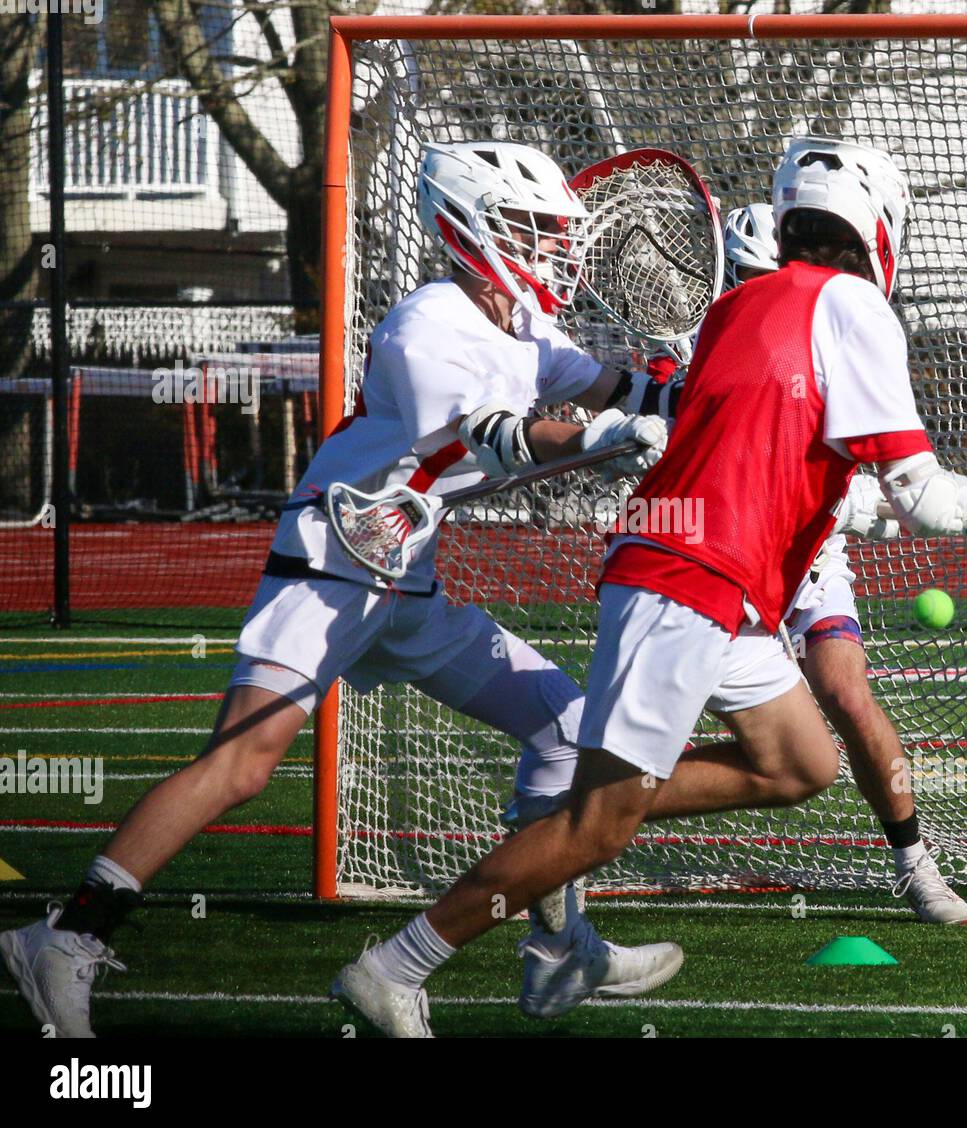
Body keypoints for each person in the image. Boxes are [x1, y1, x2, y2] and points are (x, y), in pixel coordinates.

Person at [329, 136, 967, 1036]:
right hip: (693, 577)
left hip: (708, 575)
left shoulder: (739, 306)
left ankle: (567, 805)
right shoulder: (856, 306)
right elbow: (931, 499)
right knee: (603, 826)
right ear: (877, 227)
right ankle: (399, 966)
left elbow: (791, 457)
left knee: (799, 761)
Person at [0, 141, 685, 1039]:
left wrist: (687, 377)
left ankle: (560, 945)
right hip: (334, 560)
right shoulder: (428, 325)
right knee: (241, 763)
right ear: (474, 228)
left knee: (568, 730)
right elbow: (494, 438)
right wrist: (607, 430)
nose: (555, 252)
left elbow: (626, 390)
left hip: (409, 576)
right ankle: (63, 938)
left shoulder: (525, 331)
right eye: (534, 231)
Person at [719, 200, 967, 923]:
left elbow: (857, 443)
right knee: (659, 727)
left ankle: (915, 863)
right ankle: (574, 830)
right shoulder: (715, 338)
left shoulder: (829, 327)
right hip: (725, 555)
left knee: (849, 697)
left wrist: (862, 502)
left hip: (810, 553)